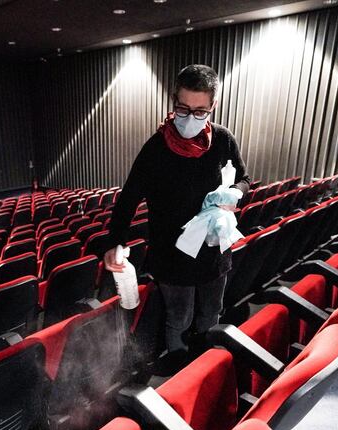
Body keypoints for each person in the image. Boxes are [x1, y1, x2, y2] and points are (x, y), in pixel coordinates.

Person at [105, 64, 250, 354]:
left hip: (213, 250)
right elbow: (128, 199)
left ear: (213, 106)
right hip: (172, 255)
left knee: (211, 312)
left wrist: (235, 193)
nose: (189, 119)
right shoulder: (156, 148)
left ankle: (206, 366)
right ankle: (178, 366)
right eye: (182, 109)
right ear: (173, 101)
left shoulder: (222, 140)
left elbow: (245, 179)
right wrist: (114, 242)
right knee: (179, 319)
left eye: (200, 112)